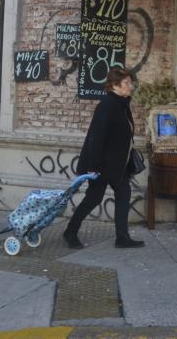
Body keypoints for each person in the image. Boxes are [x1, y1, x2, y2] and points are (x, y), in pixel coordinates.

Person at [63, 66, 144, 250]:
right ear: (114, 85)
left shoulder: (123, 105)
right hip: (102, 165)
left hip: (118, 166)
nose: (130, 86)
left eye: (130, 83)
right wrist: (93, 167)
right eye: (126, 83)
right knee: (93, 199)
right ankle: (70, 232)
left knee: (124, 194)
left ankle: (122, 238)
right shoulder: (107, 105)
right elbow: (96, 138)